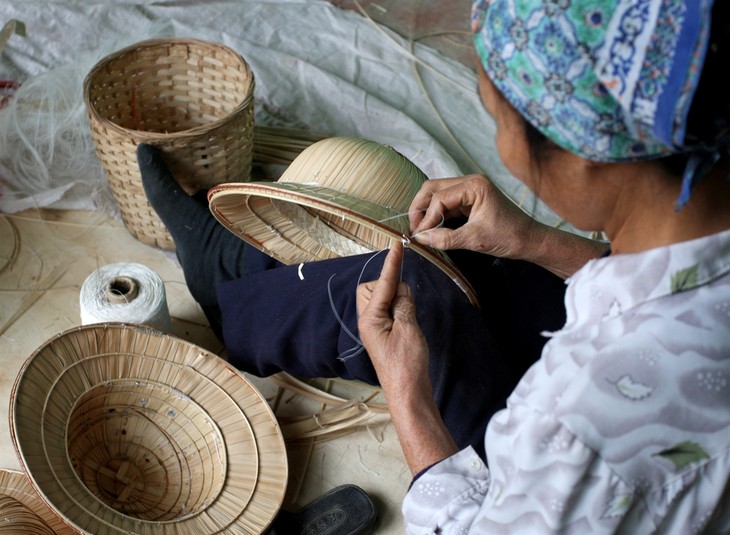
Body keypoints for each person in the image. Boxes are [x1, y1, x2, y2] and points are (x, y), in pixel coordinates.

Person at [137, 0, 730, 532]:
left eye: (500, 124)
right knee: (467, 253)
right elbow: (650, 288)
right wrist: (534, 240)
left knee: (418, 297)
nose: (500, 145)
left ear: (583, 159)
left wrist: (407, 393)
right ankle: (238, 270)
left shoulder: (573, 425)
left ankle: (227, 289)